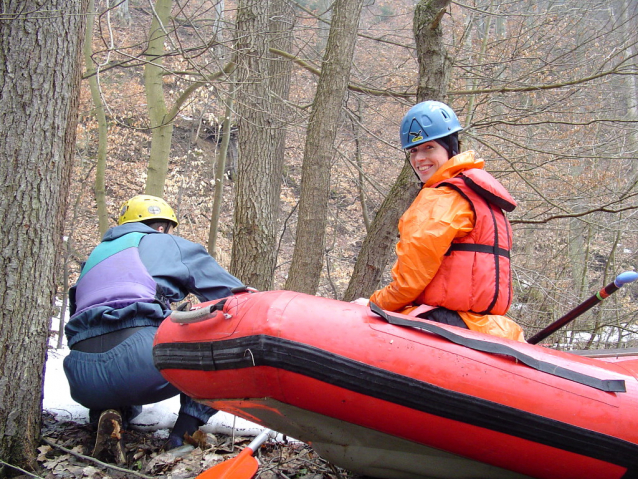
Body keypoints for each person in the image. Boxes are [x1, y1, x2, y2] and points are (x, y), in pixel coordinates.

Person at [63, 194, 244, 455]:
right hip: (138, 362)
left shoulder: (93, 258)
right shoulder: (167, 243)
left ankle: (112, 417)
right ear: (161, 227)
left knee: (117, 372)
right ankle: (183, 434)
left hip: (81, 375)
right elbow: (232, 296)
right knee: (218, 333)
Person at [356, 101, 524, 342]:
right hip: (485, 326)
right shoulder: (477, 193)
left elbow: (408, 282)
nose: (419, 158)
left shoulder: (441, 198)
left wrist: (373, 304)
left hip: (444, 323)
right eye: (413, 151)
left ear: (451, 148)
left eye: (429, 148)